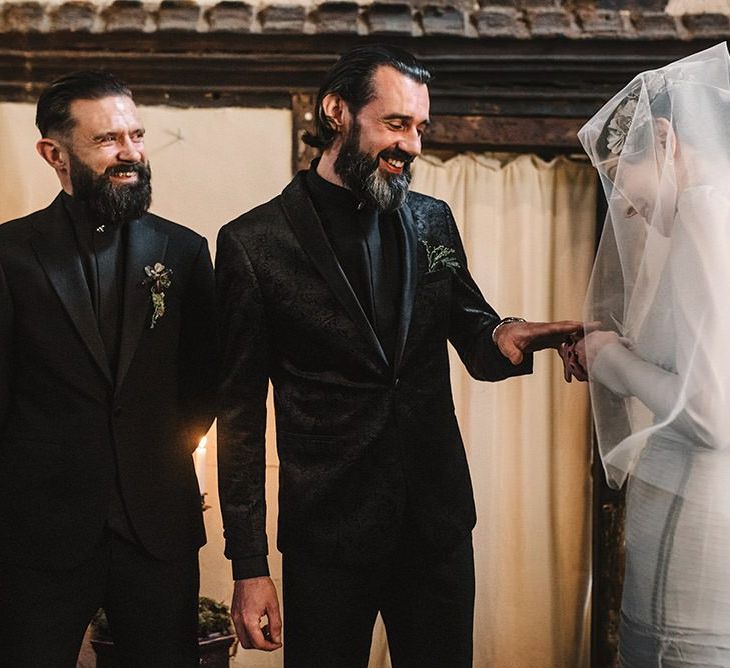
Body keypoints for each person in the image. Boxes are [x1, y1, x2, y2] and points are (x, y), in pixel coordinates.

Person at [216, 44, 582, 667]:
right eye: (395, 124)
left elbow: (479, 335)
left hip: (436, 525)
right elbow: (241, 417)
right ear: (337, 111)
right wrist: (250, 566)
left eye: (419, 128)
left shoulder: (430, 220)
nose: (413, 145)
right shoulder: (254, 243)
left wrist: (519, 335)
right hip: (327, 534)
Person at [0, 71, 216, 666]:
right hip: (38, 532)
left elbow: (203, 384)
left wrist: (155, 450)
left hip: (157, 529)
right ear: (54, 153)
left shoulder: (184, 252)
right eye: (107, 140)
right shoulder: (9, 255)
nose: (130, 154)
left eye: (136, 135)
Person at [573, 44, 730, 666]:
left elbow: (711, 414)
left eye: (618, 173)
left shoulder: (702, 212)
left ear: (662, 138)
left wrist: (607, 356)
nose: (626, 204)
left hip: (690, 536)